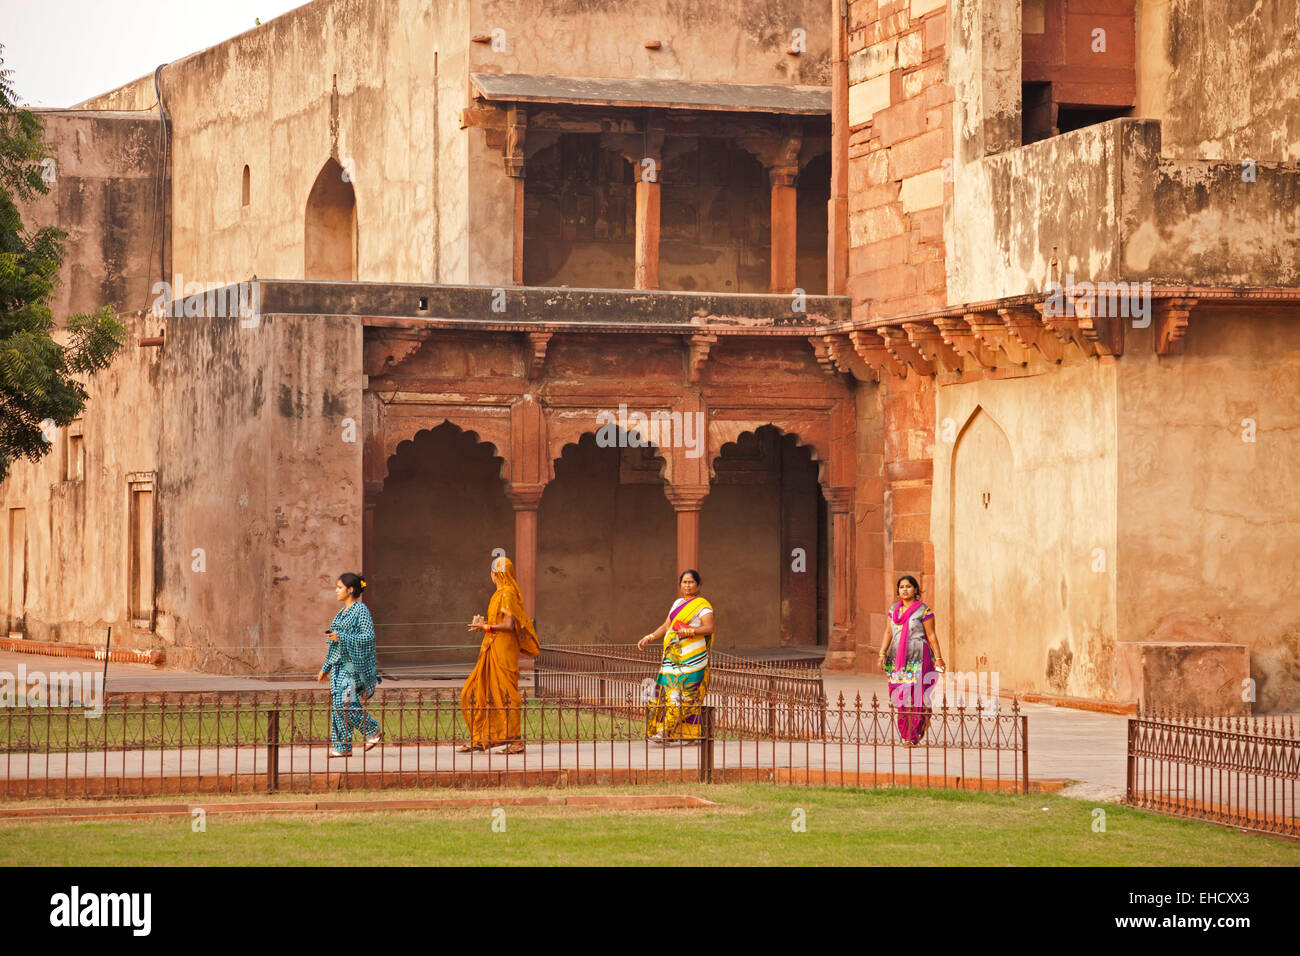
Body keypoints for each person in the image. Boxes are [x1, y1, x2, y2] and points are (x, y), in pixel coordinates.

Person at [460, 555, 540, 754]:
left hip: (504, 651)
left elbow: (508, 625)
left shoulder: (507, 594)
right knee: (475, 691)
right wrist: (484, 623)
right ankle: (480, 738)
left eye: (494, 573)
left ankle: (515, 741)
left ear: (494, 575)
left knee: (506, 696)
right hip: (492, 648)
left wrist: (485, 626)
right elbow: (499, 621)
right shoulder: (500, 594)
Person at [637, 569, 715, 744]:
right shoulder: (678, 603)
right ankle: (689, 734)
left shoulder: (703, 605)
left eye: (691, 582)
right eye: (684, 582)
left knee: (686, 695)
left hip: (693, 658)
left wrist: (690, 630)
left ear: (698, 585)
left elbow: (709, 628)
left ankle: (665, 731)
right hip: (673, 658)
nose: (687, 585)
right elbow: (667, 626)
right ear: (680, 584)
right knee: (669, 693)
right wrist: (649, 637)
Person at [317, 572, 382, 757]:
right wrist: (325, 668)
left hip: (352, 666)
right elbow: (335, 645)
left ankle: (372, 730)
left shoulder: (361, 610)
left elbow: (368, 636)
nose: (336, 591)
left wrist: (343, 637)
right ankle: (342, 746)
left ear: (350, 589)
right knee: (338, 704)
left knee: (345, 703)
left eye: (339, 587)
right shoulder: (341, 614)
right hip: (339, 667)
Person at [876, 574, 945, 746]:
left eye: (908, 586)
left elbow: (931, 635)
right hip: (896, 658)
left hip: (918, 657)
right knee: (900, 696)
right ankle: (907, 730)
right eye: (901, 587)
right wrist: (882, 653)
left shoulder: (923, 611)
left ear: (915, 590)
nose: (904, 590)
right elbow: (888, 632)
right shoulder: (893, 611)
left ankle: (911, 735)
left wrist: (938, 658)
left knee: (915, 696)